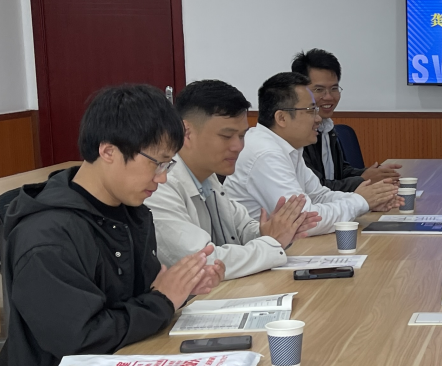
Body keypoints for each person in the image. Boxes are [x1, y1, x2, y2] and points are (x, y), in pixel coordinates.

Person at [0, 85, 225, 366]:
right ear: (108, 152)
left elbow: (144, 295)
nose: (162, 178)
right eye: (157, 163)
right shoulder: (46, 238)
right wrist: (163, 301)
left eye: (168, 165)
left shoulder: (130, 212)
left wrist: (182, 287)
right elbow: (80, 341)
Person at [147, 79, 321, 280]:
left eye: (242, 136)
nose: (238, 146)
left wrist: (274, 230)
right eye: (226, 136)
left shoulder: (209, 177)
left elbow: (243, 230)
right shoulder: (159, 185)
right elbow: (203, 262)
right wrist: (272, 242)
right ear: (186, 132)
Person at [225, 72, 400, 232]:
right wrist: (360, 201)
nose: (318, 118)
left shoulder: (288, 147)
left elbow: (319, 196)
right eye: (311, 110)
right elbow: (303, 220)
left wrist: (368, 200)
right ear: (282, 118)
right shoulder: (265, 153)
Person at [291, 49, 402, 191]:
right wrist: (363, 180)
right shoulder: (295, 134)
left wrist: (373, 174)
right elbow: (315, 189)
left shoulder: (326, 126)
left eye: (334, 88)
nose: (329, 97)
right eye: (319, 89)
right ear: (299, 90)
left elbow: (339, 172)